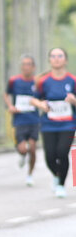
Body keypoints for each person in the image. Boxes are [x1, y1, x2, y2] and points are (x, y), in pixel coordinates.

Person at [30, 48, 76, 198]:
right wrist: (41, 105)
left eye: (60, 56)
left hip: (68, 123)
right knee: (50, 156)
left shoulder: (72, 80)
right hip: (49, 124)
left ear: (65, 60)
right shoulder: (44, 81)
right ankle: (56, 175)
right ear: (49, 60)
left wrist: (73, 100)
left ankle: (61, 185)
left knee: (62, 152)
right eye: (53, 56)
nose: (56, 58)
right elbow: (33, 99)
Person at [4, 55, 41, 186]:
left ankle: (30, 174)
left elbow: (43, 97)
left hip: (34, 120)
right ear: (21, 67)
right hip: (19, 120)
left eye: (29, 64)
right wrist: (10, 106)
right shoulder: (14, 81)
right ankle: (22, 155)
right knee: (23, 149)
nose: (26, 67)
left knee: (32, 148)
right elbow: (6, 94)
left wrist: (40, 104)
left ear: (33, 67)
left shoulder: (38, 82)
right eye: (24, 64)